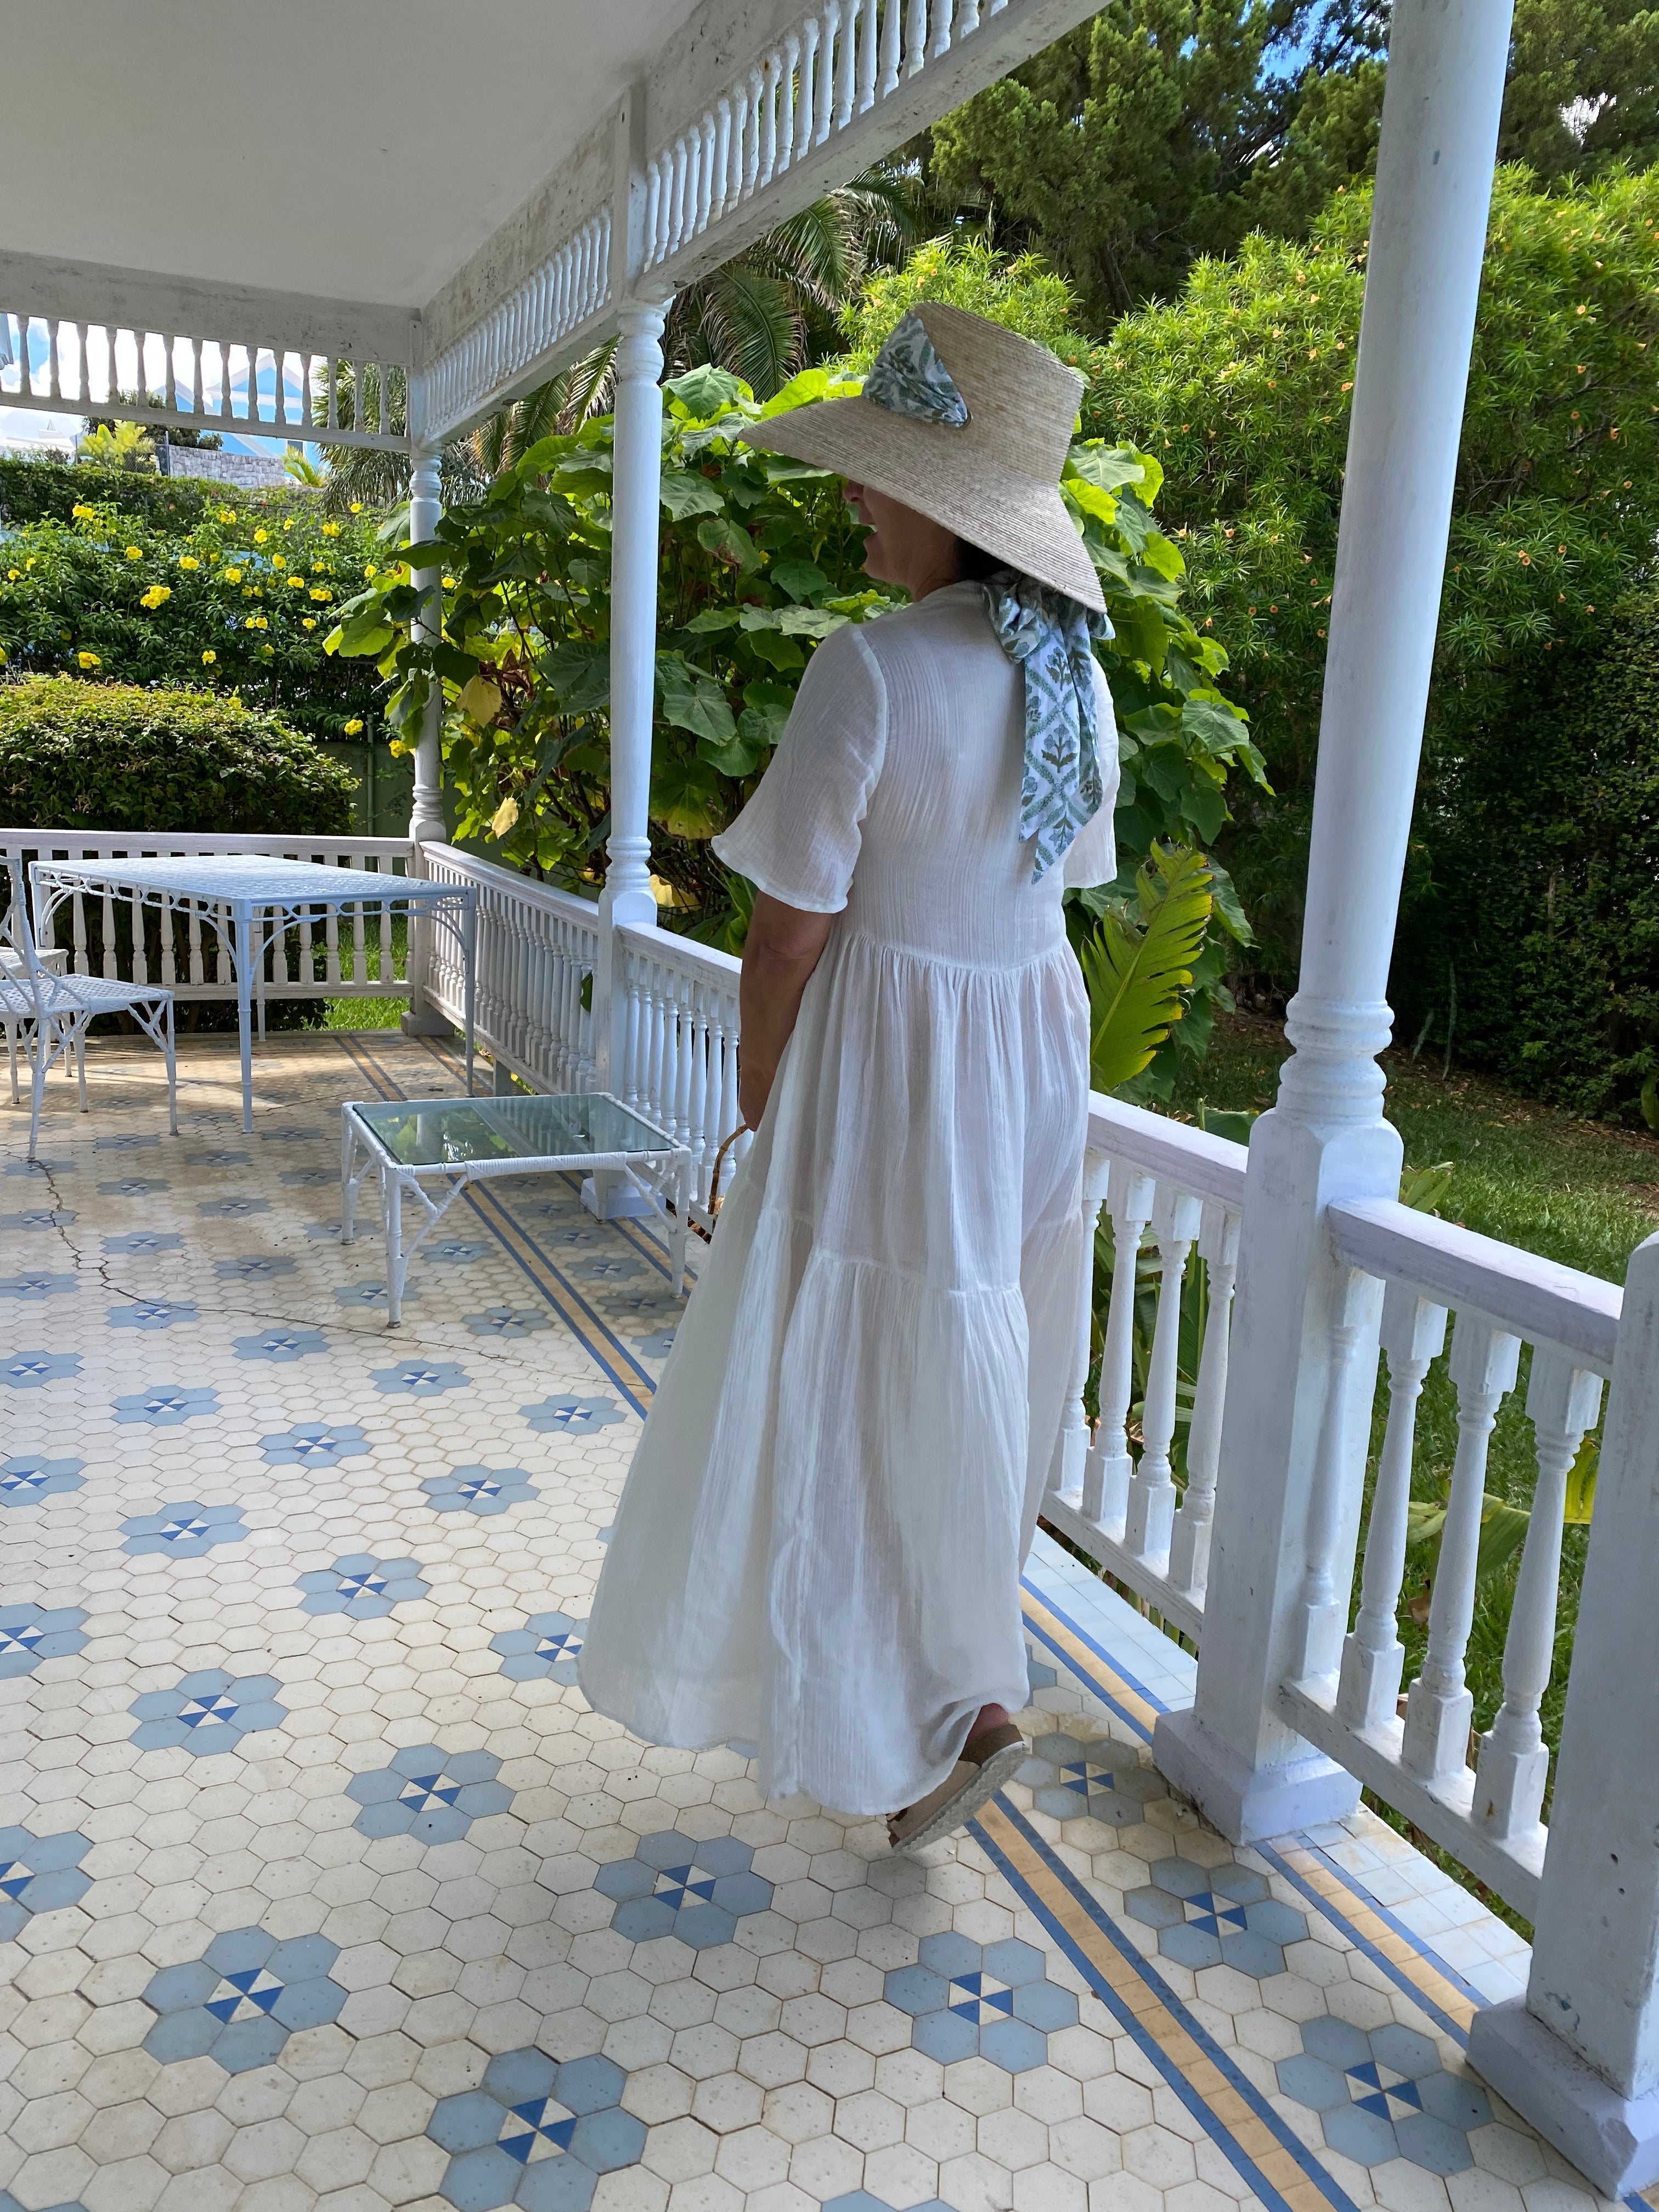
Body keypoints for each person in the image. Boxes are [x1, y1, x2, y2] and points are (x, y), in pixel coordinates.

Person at [579, 301, 1119, 1850]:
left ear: (951, 510)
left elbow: (792, 930)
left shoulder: (872, 672)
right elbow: (1057, 877)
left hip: (890, 1062)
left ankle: (906, 1714)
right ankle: (968, 1691)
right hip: (1025, 1050)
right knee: (971, 1356)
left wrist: (766, 1100)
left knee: (846, 1374)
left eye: (878, 480)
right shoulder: (1076, 680)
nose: (856, 502)